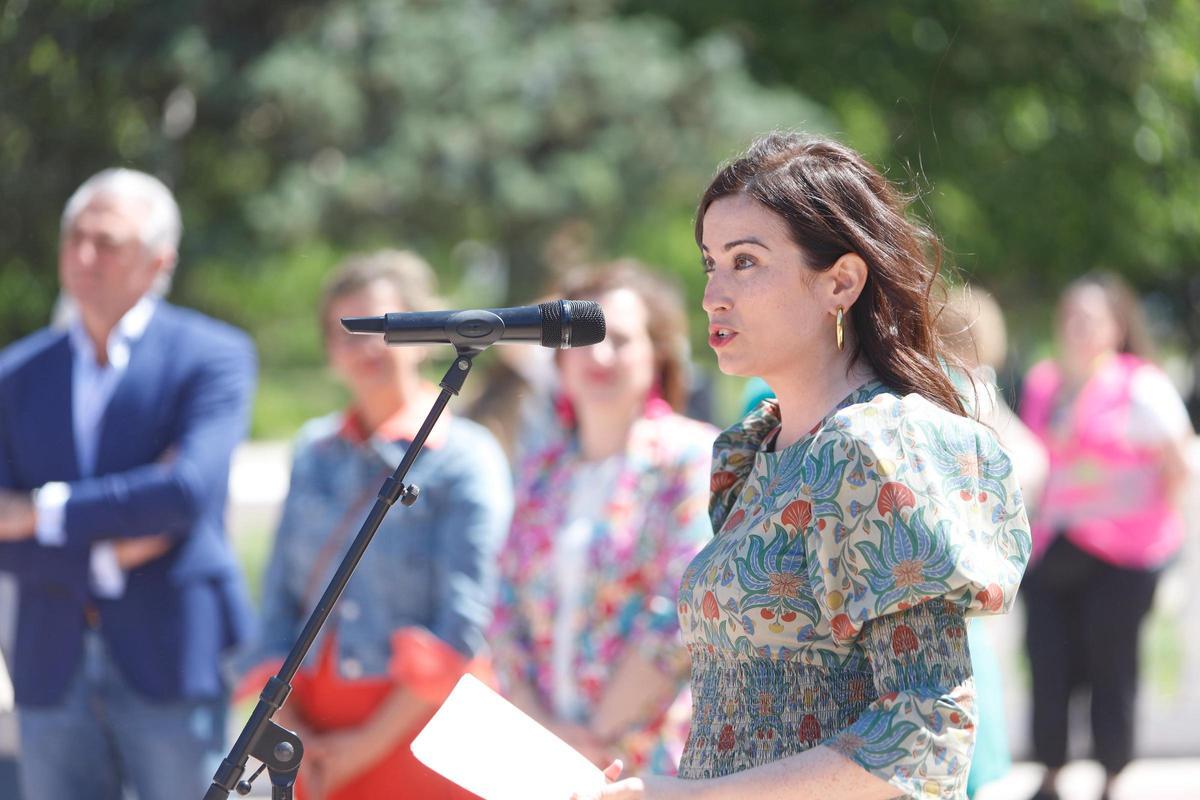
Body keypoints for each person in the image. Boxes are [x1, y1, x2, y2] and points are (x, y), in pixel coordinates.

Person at [578, 133, 1031, 800]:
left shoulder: (878, 447)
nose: (713, 296)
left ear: (840, 281)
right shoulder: (753, 450)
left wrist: (686, 797)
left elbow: (926, 733)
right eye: (710, 264)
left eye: (746, 262)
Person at [0, 168, 257, 800]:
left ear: (158, 260)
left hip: (169, 654)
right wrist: (113, 547)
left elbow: (185, 493)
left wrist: (44, 510)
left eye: (107, 242)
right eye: (74, 238)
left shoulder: (212, 355)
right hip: (49, 658)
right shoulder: (16, 372)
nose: (84, 256)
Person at [243, 251, 513, 800]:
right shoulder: (312, 451)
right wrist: (290, 732)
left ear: (424, 333)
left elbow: (468, 619)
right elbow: (277, 603)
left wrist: (362, 747)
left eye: (383, 327)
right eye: (348, 331)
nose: (366, 347)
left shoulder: (466, 456)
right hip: (308, 736)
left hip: (423, 733)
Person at [489, 261, 717, 776]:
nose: (599, 354)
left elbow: (682, 613)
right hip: (541, 761)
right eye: (581, 338)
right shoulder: (541, 471)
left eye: (620, 338)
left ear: (657, 352)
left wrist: (589, 741)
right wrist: (544, 733)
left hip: (652, 760)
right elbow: (503, 613)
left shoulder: (692, 456)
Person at [1018, 273, 1194, 800]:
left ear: (1117, 327)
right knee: (1047, 663)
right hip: (1055, 551)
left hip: (1122, 558)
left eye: (1090, 318)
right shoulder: (1044, 384)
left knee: (1112, 670)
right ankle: (1049, 775)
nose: (1077, 328)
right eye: (1069, 316)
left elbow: (1179, 462)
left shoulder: (1141, 385)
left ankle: (1112, 778)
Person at [935, 284, 1049, 798]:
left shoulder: (951, 387)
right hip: (975, 567)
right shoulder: (978, 387)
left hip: (948, 565)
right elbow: (1032, 462)